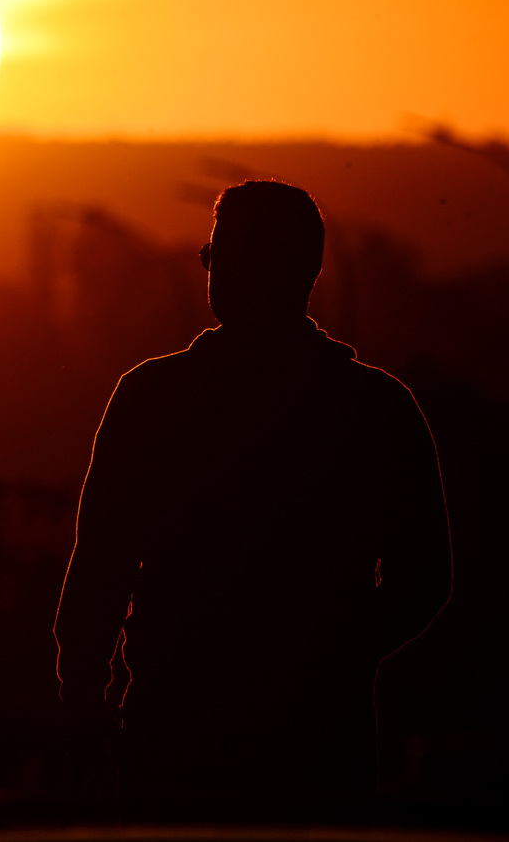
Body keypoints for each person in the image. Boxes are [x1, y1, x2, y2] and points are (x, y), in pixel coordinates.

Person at [53, 181, 452, 813]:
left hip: (177, 730)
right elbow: (424, 579)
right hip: (320, 740)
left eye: (219, 254)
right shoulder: (375, 407)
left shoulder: (151, 399)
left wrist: (82, 700)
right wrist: (331, 654)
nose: (215, 269)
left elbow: (99, 571)